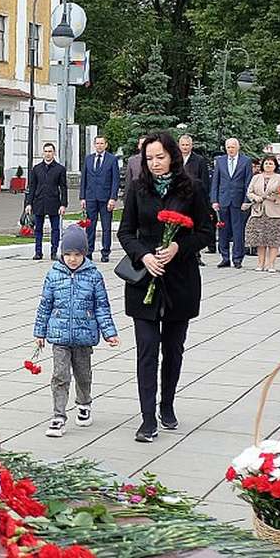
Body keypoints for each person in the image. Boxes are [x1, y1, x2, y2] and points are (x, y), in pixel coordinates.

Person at [118, 132, 213, 443]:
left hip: (179, 282)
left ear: (172, 155)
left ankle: (167, 404)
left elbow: (205, 232)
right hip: (144, 281)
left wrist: (178, 248)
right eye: (149, 158)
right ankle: (147, 418)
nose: (155, 163)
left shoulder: (192, 189)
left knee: (173, 350)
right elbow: (126, 232)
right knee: (147, 351)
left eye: (160, 157)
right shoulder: (137, 188)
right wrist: (143, 255)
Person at [33, 225, 119, 438]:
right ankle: (58, 416)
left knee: (83, 374)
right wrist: (39, 332)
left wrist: (109, 332)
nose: (72, 259)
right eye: (68, 254)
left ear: (85, 254)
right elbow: (45, 305)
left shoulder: (93, 276)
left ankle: (84, 403)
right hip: (59, 336)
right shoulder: (53, 275)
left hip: (83, 336)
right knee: (60, 375)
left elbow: (102, 306)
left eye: (77, 254)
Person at [211, 138, 252, 269]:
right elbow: (215, 182)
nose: (231, 149)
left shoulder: (246, 161)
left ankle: (237, 258)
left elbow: (248, 182)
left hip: (238, 201)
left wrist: (247, 200)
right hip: (223, 200)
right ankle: (224, 257)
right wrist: (214, 200)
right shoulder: (220, 161)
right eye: (228, 147)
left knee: (238, 231)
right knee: (223, 230)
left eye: (233, 147)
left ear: (238, 147)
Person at [244, 156, 280, 272]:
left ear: (275, 166)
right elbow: (249, 192)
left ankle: (271, 264)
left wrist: (276, 199)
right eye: (266, 163)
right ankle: (260, 263)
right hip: (259, 211)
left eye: (271, 164)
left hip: (275, 212)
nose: (268, 165)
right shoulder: (256, 177)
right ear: (263, 165)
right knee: (260, 240)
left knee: (273, 240)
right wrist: (256, 197)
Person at [80, 136, 120, 263]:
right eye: (97, 143)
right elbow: (84, 179)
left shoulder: (112, 160)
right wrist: (82, 197)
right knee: (90, 226)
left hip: (106, 198)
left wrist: (113, 198)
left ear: (106, 145)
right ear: (94, 144)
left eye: (102, 143)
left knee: (106, 226)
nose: (99, 146)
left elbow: (115, 180)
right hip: (91, 197)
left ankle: (105, 252)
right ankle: (89, 251)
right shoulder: (88, 159)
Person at [25, 142, 68, 260]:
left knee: (55, 229)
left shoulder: (60, 169)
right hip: (39, 202)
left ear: (54, 153)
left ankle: (54, 252)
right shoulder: (36, 169)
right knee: (38, 228)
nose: (48, 154)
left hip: (54, 202)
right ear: (43, 153)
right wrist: (29, 203)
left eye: (50, 151)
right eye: (46, 151)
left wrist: (63, 204)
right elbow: (32, 187)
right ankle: (38, 252)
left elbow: (63, 187)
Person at [179, 135, 211, 266]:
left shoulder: (199, 160)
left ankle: (196, 255)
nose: (185, 147)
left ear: (191, 146)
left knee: (194, 227)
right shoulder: (174, 158)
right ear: (179, 145)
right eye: (183, 145)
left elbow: (204, 181)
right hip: (178, 198)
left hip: (194, 198)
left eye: (187, 145)